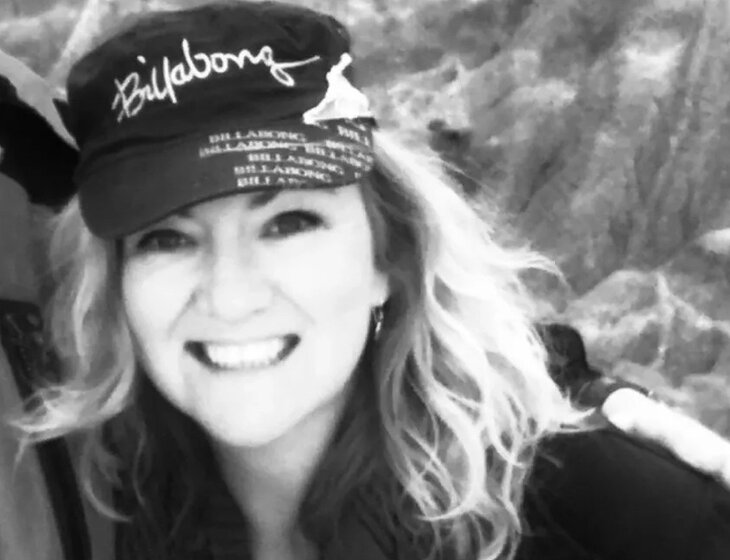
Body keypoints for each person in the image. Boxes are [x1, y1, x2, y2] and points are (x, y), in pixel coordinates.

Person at [14, 2, 730, 560]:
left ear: (390, 258)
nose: (230, 295)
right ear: (113, 292)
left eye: (289, 222)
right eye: (166, 238)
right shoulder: (116, 505)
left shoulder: (611, 521)